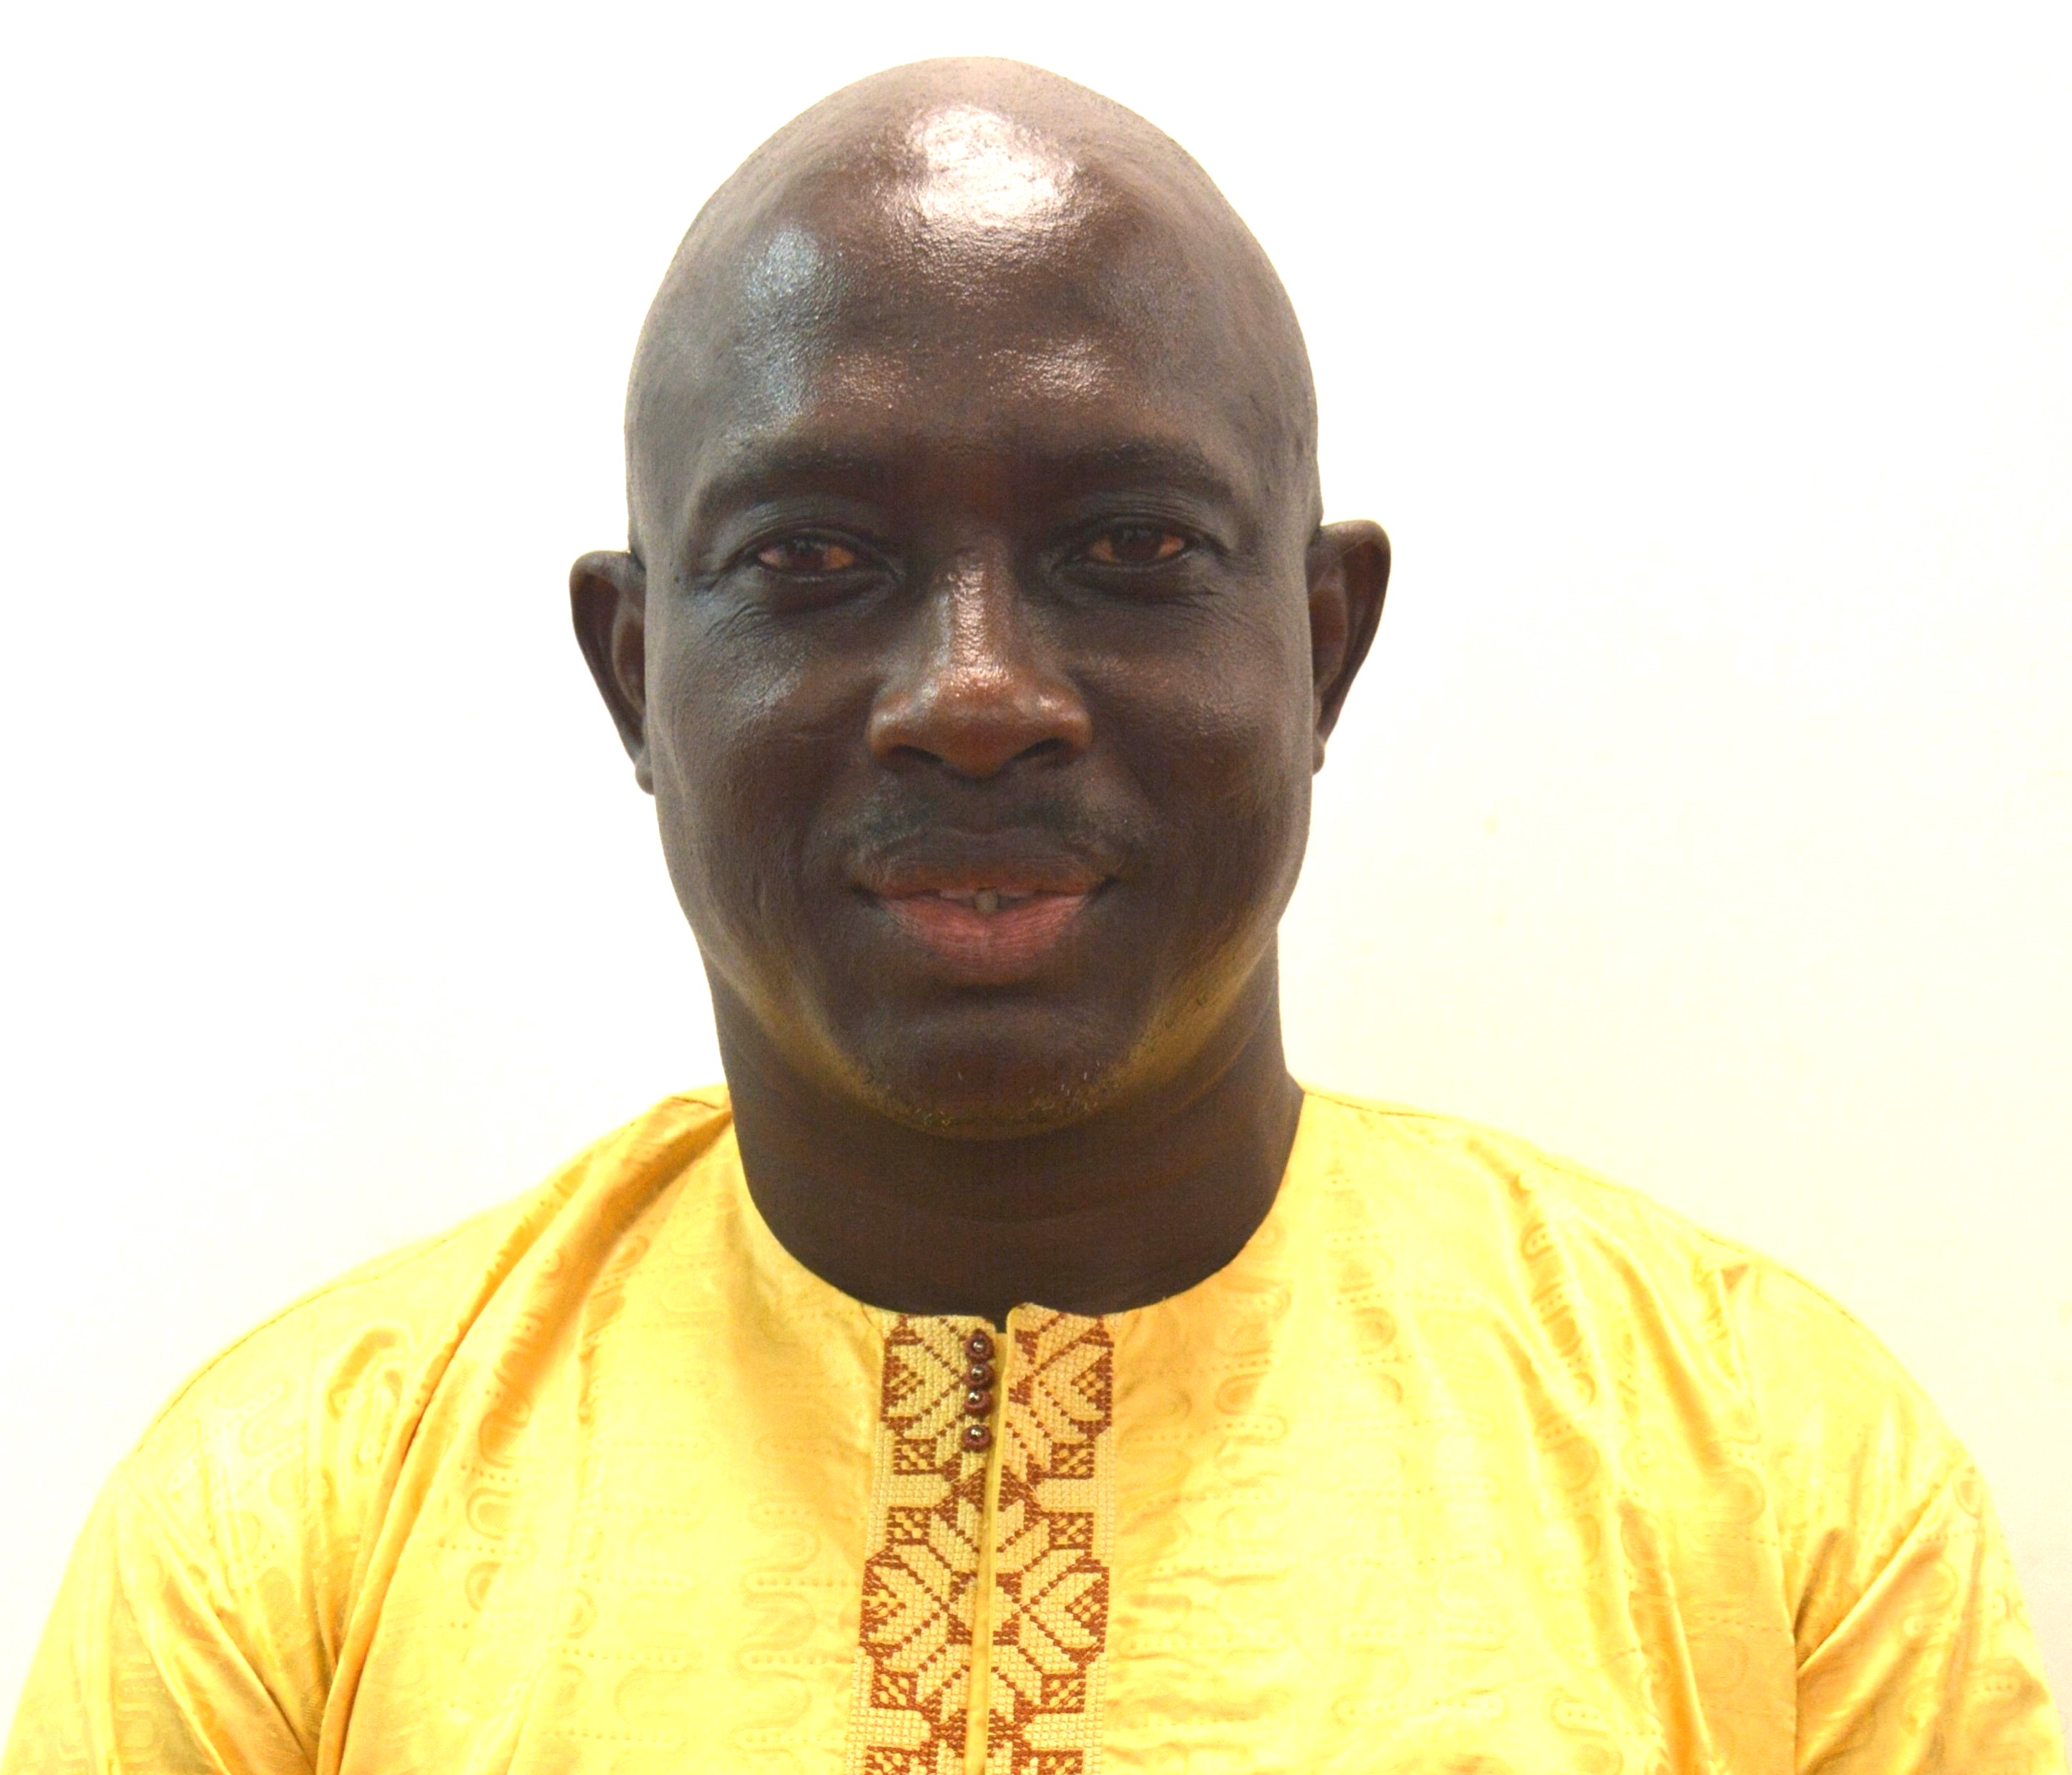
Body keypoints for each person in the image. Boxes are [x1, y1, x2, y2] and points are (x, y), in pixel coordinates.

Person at [5, 56, 2062, 1775]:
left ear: (1322, 648)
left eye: (1131, 547)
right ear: (635, 676)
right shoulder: (288, 1527)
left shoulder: (1769, 1483)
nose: (976, 695)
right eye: (813, 559)